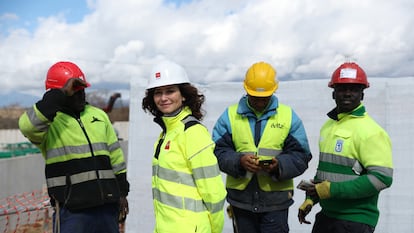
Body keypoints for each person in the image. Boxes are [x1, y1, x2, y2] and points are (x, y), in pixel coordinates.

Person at [18, 61, 130, 233]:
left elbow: (116, 158)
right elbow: (27, 126)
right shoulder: (49, 123)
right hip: (72, 213)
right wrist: (59, 93)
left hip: (107, 209)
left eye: (82, 90)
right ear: (59, 93)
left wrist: (122, 193)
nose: (81, 96)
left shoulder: (98, 115)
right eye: (74, 91)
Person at [212, 61, 312, 233]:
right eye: (254, 96)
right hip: (240, 203)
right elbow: (217, 152)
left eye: (264, 97)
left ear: (274, 90)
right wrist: (239, 161)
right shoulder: (229, 116)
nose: (259, 102)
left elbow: (301, 155)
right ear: (245, 90)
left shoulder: (288, 117)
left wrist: (279, 166)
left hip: (276, 203)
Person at [297, 62, 393, 233]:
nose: (347, 93)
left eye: (354, 89)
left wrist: (330, 190)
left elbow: (382, 178)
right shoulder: (329, 126)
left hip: (355, 221)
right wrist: (311, 198)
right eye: (342, 88)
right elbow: (325, 171)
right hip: (327, 216)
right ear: (333, 93)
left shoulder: (371, 131)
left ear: (362, 94)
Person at [141, 60, 227, 233]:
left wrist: (215, 229)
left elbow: (213, 191)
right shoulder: (167, 132)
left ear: (184, 95)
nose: (163, 98)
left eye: (170, 91)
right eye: (158, 92)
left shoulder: (192, 132)